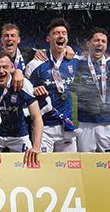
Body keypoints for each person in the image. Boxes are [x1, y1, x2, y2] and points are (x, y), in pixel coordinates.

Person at [0, 51, 42, 167]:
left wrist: (36, 147)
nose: (1, 71)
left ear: (11, 68)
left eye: (5, 67)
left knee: (31, 165)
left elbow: (36, 117)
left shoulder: (24, 84)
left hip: (18, 135)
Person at [27, 18, 79, 152]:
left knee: (69, 169)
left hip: (67, 126)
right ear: (48, 38)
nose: (61, 36)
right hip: (44, 127)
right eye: (56, 33)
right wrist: (33, 89)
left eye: (64, 33)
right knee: (44, 168)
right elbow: (22, 88)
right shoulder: (35, 64)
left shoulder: (75, 62)